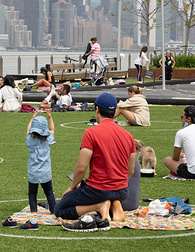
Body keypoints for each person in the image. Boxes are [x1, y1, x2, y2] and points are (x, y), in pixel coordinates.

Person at [55, 93, 136, 231]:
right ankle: (114, 203)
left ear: (97, 109)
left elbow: (81, 168)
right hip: (122, 190)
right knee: (110, 194)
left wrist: (72, 187)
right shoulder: (128, 136)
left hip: (97, 190)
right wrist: (117, 185)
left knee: (59, 209)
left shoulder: (91, 133)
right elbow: (131, 170)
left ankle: (99, 206)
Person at [25, 109, 57, 214]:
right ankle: (53, 211)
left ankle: (33, 211)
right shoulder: (48, 140)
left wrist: (33, 117)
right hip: (45, 172)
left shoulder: (30, 140)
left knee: (32, 193)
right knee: (49, 193)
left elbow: (28, 130)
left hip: (33, 172)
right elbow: (52, 129)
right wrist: (50, 117)